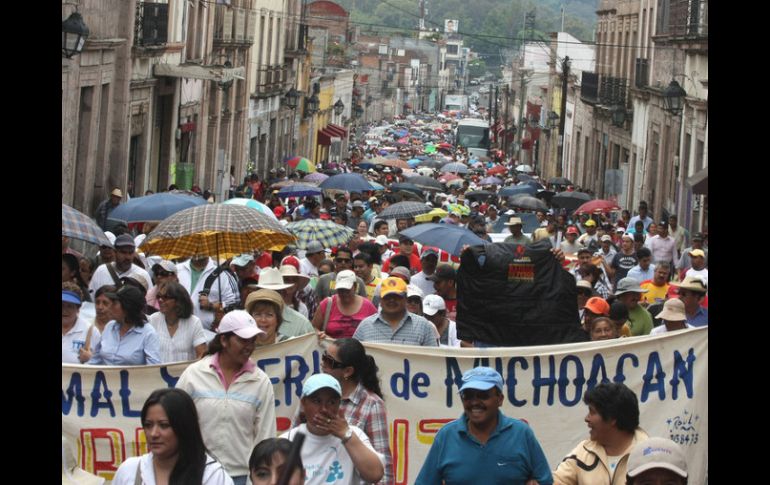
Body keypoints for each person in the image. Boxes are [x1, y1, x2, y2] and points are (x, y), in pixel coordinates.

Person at [176, 310, 277, 485]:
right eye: (243, 340)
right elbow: (176, 422)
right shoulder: (194, 374)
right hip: (197, 474)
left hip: (240, 476)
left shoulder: (261, 382)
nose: (249, 346)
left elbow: (265, 436)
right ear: (223, 340)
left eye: (252, 341)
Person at [415, 367, 553, 484]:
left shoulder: (521, 433)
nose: (474, 402)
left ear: (499, 399)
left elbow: (544, 480)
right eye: (467, 395)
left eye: (483, 395)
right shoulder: (446, 436)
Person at [112, 388, 233, 485]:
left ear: (183, 427)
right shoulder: (130, 470)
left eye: (164, 425)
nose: (154, 434)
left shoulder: (212, 475)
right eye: (148, 425)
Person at [281, 374, 385, 485]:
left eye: (331, 402)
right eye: (317, 401)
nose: (324, 409)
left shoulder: (354, 434)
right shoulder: (287, 440)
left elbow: (375, 475)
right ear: (304, 403)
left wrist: (346, 435)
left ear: (339, 404)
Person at [320, 338, 394, 484]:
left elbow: (383, 467)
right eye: (323, 357)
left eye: (329, 361)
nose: (323, 364)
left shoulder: (371, 405)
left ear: (347, 371)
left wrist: (346, 434)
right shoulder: (312, 395)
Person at [552, 382, 648, 485]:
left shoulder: (649, 454)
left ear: (612, 418)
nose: (586, 419)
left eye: (592, 412)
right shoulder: (582, 452)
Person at [354, 276, 439, 346]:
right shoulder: (365, 326)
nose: (392, 300)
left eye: (396, 296)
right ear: (380, 300)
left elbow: (433, 359)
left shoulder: (423, 325)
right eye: (387, 296)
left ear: (405, 298)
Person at [87, 285, 160, 365]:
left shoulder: (148, 333)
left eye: (115, 303)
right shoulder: (110, 326)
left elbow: (154, 370)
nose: (110, 306)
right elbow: (95, 361)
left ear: (127, 307)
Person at [148, 280, 207, 362]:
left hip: (186, 374)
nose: (160, 300)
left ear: (179, 300)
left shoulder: (194, 322)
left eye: (165, 297)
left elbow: (202, 356)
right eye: (159, 296)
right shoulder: (153, 319)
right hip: (157, 373)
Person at [312, 270, 377, 339]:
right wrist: (320, 334)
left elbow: (377, 329)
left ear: (354, 286)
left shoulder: (367, 306)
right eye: (341, 290)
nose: (344, 293)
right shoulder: (327, 304)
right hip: (331, 347)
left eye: (347, 290)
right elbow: (313, 328)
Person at [88, 234, 153, 301]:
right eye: (123, 252)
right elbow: (92, 299)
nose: (127, 257)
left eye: (130, 253)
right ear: (115, 252)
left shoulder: (143, 274)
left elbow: (149, 303)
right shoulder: (101, 271)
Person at [62, 284, 101, 364]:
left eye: (70, 306)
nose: (64, 310)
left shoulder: (91, 331)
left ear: (78, 309)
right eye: (62, 305)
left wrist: (90, 358)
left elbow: (101, 363)